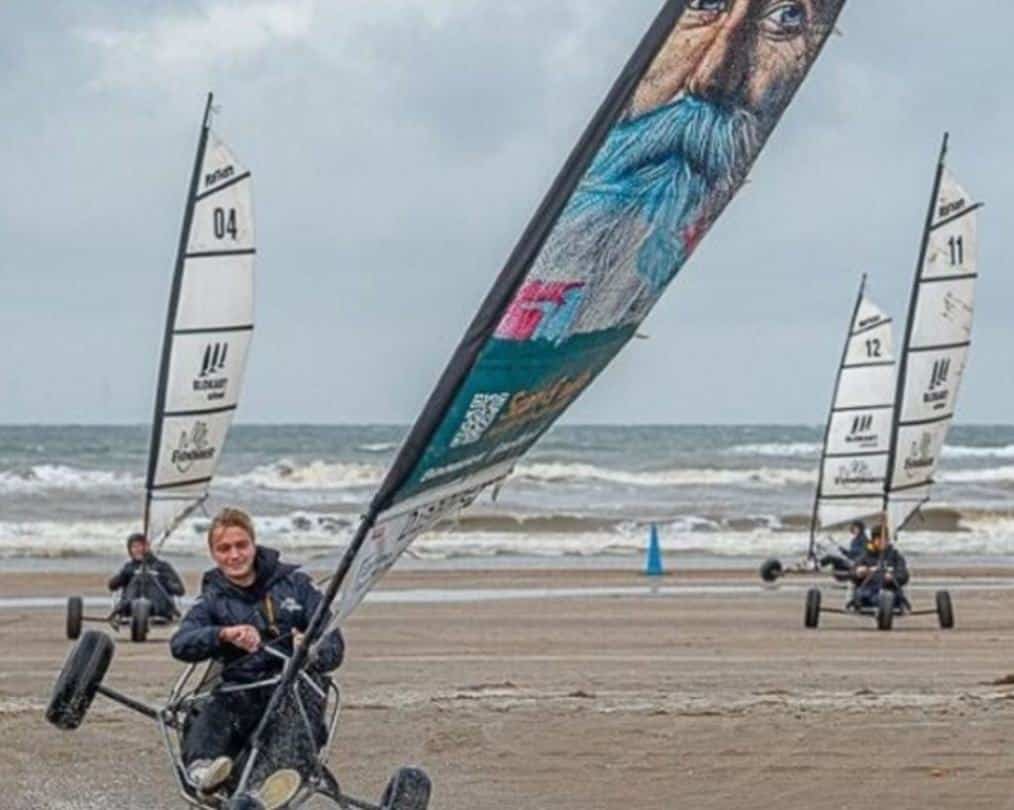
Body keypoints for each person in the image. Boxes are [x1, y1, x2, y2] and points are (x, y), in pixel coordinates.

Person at [170, 508, 344, 808]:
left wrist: (309, 649)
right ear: (213, 554)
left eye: (241, 545)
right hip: (240, 695)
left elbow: (334, 648)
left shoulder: (298, 585)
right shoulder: (212, 599)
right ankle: (203, 773)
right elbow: (181, 644)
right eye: (224, 549)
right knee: (208, 710)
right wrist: (224, 634)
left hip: (294, 693)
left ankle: (263, 788)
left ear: (254, 544)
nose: (234, 555)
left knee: (293, 716)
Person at [108, 532, 185, 619]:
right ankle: (125, 608)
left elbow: (180, 590)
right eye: (134, 547)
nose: (137, 550)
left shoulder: (162, 566)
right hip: (131, 607)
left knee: (148, 576)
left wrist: (163, 579)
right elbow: (112, 586)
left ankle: (155, 609)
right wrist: (125, 575)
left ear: (147, 547)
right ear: (130, 550)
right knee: (138, 577)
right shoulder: (129, 567)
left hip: (159, 608)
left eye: (140, 546)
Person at [850, 526, 910, 609]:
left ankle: (885, 603)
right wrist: (859, 573)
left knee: (890, 597)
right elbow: (852, 574)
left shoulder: (895, 556)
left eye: (885, 540)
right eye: (879, 540)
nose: (883, 542)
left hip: (890, 590)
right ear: (873, 540)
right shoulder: (864, 556)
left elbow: (903, 575)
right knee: (864, 595)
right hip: (868, 590)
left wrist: (893, 577)